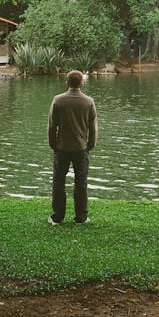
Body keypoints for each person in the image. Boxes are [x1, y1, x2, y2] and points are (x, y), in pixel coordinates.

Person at [47, 70, 98, 225]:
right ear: (82, 83)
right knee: (81, 183)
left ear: (67, 83)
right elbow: (93, 128)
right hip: (81, 148)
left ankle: (57, 217)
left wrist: (53, 144)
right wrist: (90, 145)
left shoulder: (58, 100)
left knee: (58, 182)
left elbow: (51, 126)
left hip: (62, 148)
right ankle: (81, 217)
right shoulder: (89, 102)